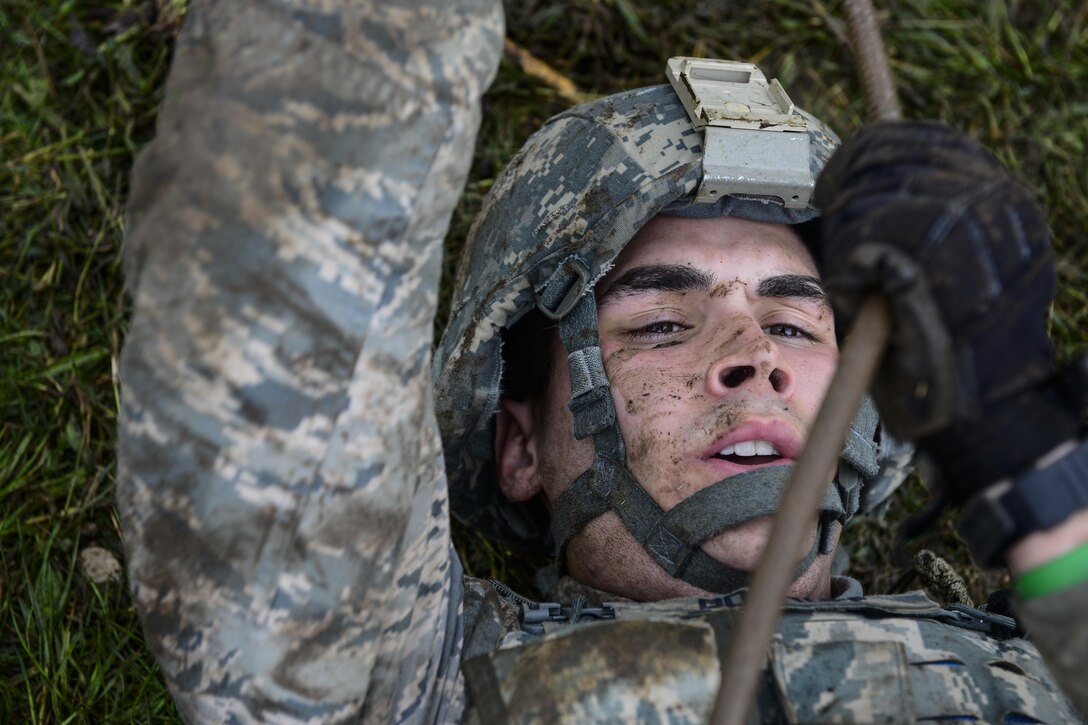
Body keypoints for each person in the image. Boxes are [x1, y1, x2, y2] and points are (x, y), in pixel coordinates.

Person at [116, 1, 1088, 722]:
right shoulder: (407, 678)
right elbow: (278, 343)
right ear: (518, 445)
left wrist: (1019, 449)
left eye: (795, 324)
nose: (752, 358)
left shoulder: (1049, 649)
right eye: (660, 324)